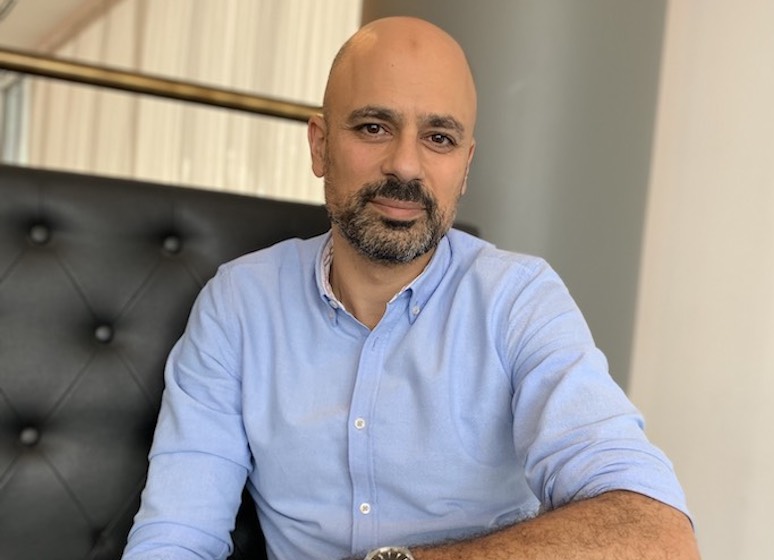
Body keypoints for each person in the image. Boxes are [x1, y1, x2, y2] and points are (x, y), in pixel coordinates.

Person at [123, 16, 700, 560]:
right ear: (320, 146)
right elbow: (176, 538)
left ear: (465, 166)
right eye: (373, 127)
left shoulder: (519, 300)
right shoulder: (238, 305)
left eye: (439, 138)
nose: (405, 165)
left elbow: (657, 534)